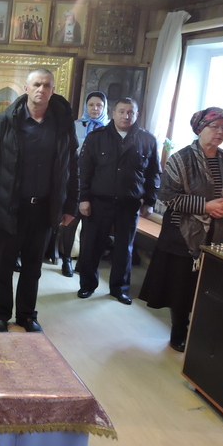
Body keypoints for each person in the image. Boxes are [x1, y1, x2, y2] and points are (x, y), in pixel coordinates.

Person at [0, 68, 78, 333]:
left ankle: (26, 315)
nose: (41, 90)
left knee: (33, 267)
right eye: (36, 84)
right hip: (11, 206)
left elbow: (73, 166)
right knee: (5, 265)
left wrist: (70, 205)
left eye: (46, 85)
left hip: (45, 207)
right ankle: (1, 314)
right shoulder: (6, 121)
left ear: (52, 90)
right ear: (26, 88)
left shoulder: (62, 124)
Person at [139, 107, 223, 352]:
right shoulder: (180, 159)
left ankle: (204, 333)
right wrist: (205, 206)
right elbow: (167, 196)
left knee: (211, 287)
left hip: (219, 233)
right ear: (200, 129)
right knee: (182, 286)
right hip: (183, 234)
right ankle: (179, 331)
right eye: (215, 127)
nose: (220, 132)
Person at [76, 98, 161, 304]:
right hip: (99, 202)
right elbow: (84, 171)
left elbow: (154, 174)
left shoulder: (147, 140)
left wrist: (150, 201)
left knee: (125, 248)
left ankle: (119, 289)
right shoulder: (97, 137)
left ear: (136, 115)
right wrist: (83, 198)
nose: (126, 116)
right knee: (92, 246)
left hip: (128, 204)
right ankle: (87, 285)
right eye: (121, 111)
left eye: (130, 112)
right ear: (113, 113)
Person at [57, 91, 109, 277]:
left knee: (91, 226)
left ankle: (83, 262)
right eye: (91, 105)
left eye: (99, 105)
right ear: (85, 107)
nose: (95, 109)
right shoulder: (75, 126)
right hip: (77, 180)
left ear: (105, 108)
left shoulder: (109, 130)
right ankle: (66, 260)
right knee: (72, 221)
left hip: (99, 183)